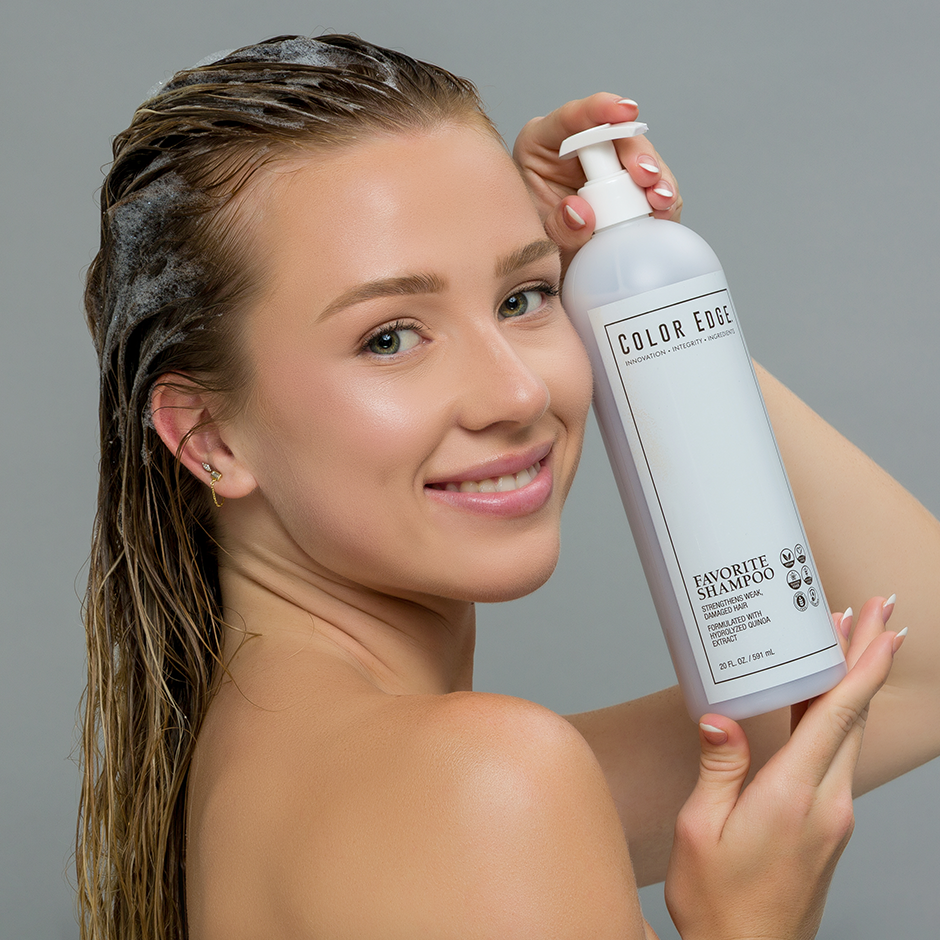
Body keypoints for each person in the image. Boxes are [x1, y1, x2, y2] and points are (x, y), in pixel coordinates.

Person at [76, 34, 938, 940]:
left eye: (523, 297)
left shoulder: (276, 769)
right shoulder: (481, 786)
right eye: (389, 337)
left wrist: (645, 295)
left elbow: (914, 665)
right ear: (207, 434)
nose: (519, 393)